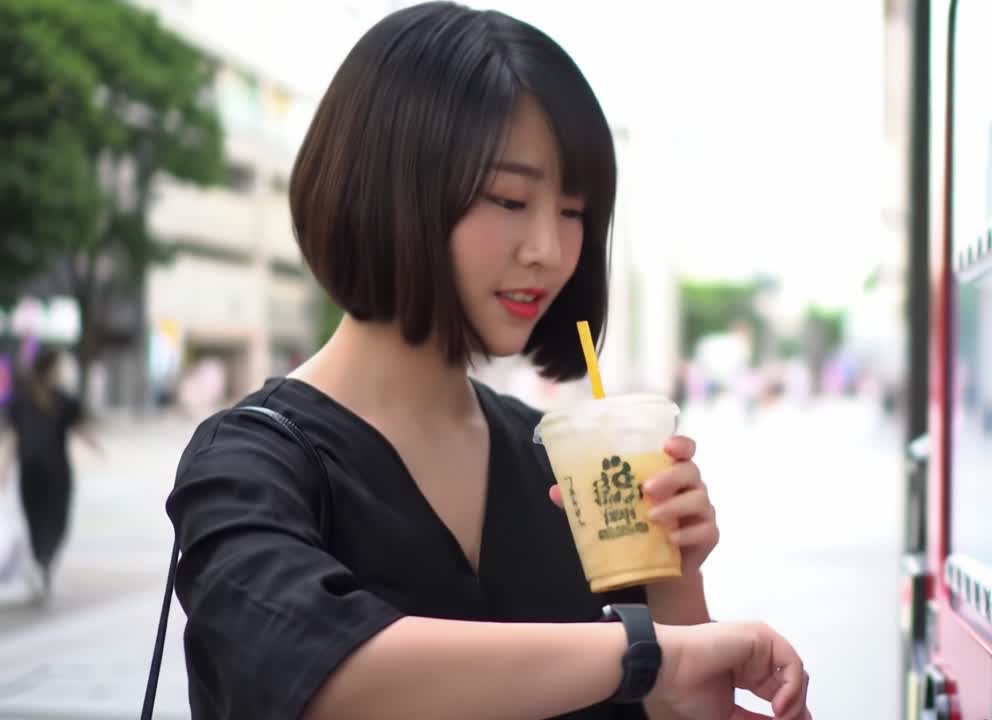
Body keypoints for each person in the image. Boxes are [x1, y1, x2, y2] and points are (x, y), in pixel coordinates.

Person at [165, 3, 811, 719]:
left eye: (573, 212)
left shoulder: (562, 468)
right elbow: (312, 668)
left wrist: (673, 586)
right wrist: (643, 653)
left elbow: (676, 702)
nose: (550, 249)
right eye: (510, 199)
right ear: (389, 188)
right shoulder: (250, 464)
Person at [5, 347, 99, 603]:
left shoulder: (40, 399)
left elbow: (14, 438)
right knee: (53, 519)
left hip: (35, 471)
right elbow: (16, 436)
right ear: (52, 368)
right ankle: (43, 560)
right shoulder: (34, 399)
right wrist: (96, 446)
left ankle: (42, 560)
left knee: (41, 519)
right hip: (52, 471)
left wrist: (5, 467)